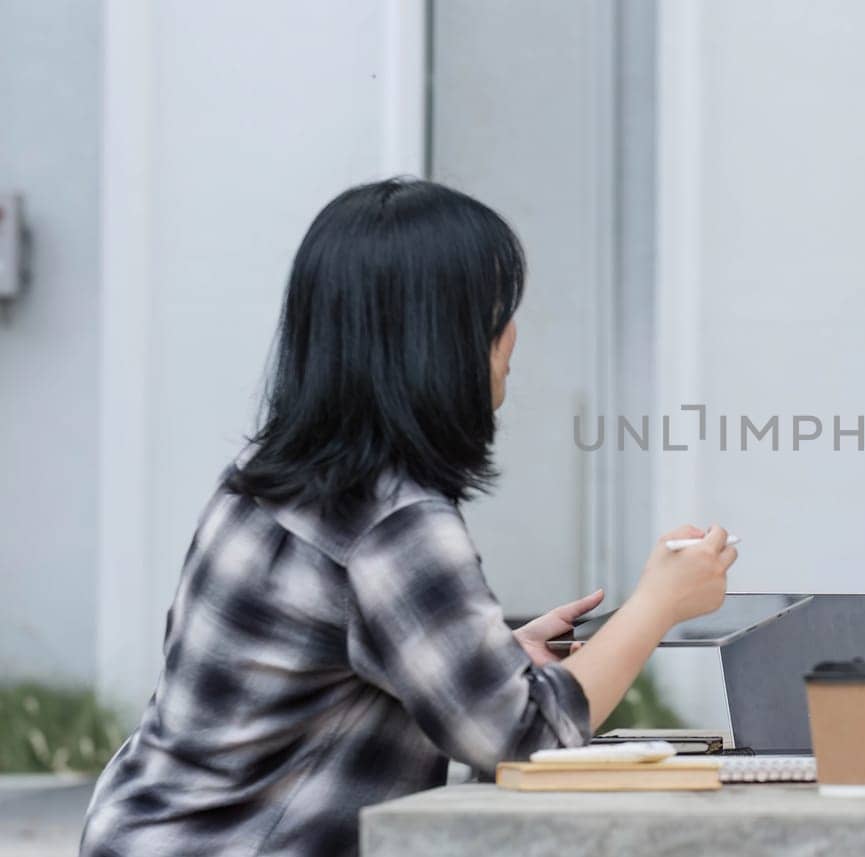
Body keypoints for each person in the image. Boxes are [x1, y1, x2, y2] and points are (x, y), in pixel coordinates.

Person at [79, 178, 738, 856]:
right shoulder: (391, 521)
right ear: (439, 339)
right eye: (496, 313)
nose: (514, 336)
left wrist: (496, 661)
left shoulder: (272, 473)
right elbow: (525, 737)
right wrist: (657, 603)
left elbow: (327, 673)